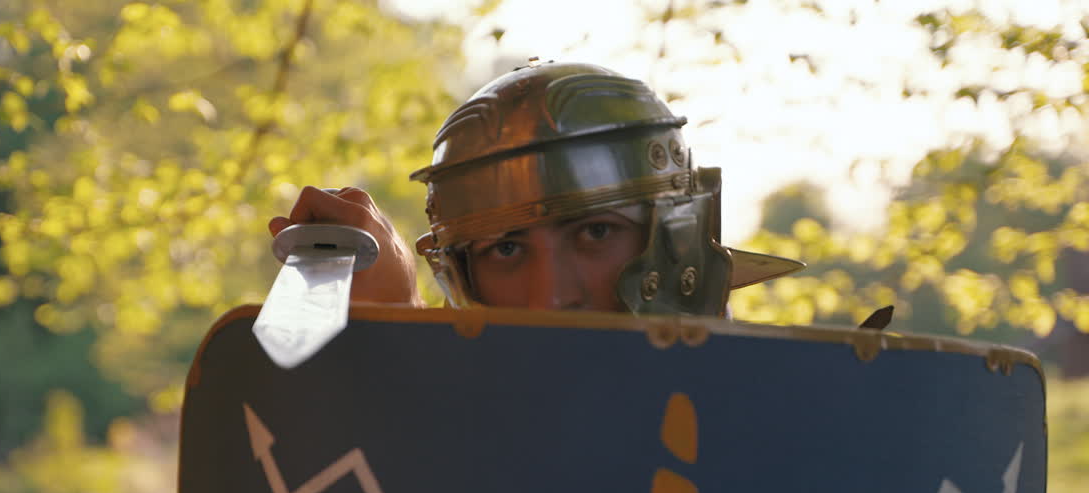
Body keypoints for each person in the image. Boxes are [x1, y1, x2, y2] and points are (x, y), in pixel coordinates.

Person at [267, 59, 803, 315]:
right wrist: (394, 324)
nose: (550, 297)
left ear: (678, 242)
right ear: (461, 277)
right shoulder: (462, 433)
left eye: (596, 231)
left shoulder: (794, 431)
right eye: (506, 248)